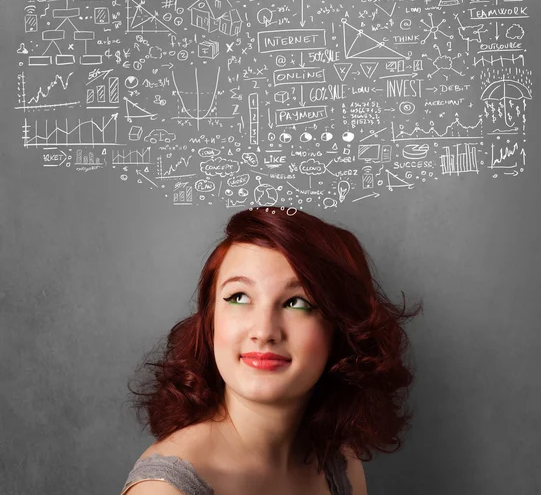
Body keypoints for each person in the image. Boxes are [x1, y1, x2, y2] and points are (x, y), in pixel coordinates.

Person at [120, 206, 423, 495]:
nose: (264, 332)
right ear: (210, 322)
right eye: (238, 296)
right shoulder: (164, 489)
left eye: (298, 302)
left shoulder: (340, 464)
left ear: (342, 330)